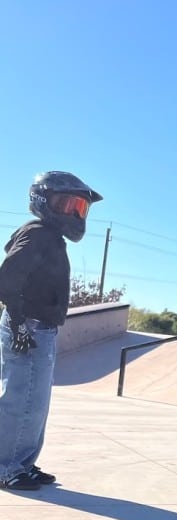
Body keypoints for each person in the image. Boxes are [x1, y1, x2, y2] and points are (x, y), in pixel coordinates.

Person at [0, 171, 103, 491]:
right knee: (20, 399)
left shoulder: (49, 236)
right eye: (68, 204)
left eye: (80, 208)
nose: (74, 213)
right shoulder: (38, 233)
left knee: (35, 401)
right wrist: (17, 323)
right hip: (27, 325)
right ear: (43, 201)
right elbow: (6, 280)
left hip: (38, 328)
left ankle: (22, 462)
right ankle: (6, 467)